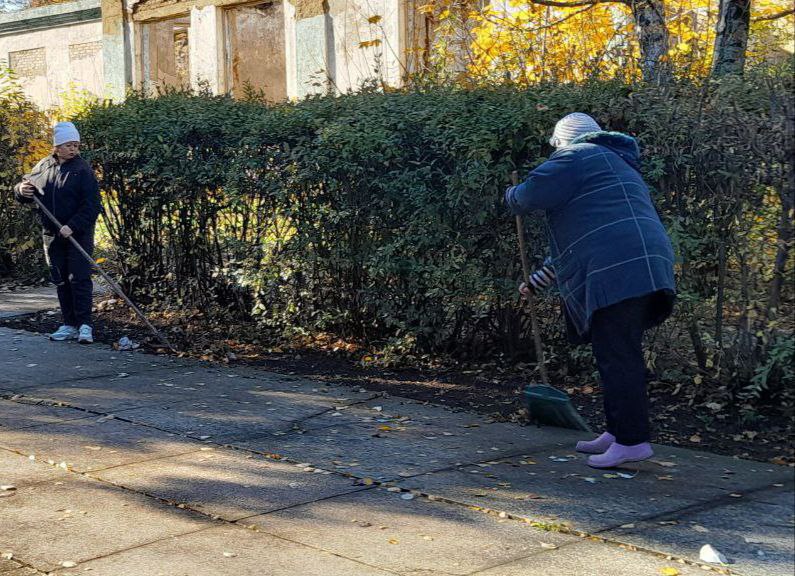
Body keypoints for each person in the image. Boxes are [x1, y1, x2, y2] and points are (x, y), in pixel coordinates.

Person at [505, 112, 676, 469]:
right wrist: (537, 282)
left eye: (556, 146)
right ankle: (617, 432)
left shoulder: (577, 156)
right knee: (614, 350)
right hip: (641, 262)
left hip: (619, 268)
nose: (555, 152)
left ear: (564, 141)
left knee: (618, 355)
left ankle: (632, 441)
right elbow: (584, 238)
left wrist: (510, 194)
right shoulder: (614, 163)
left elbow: (528, 195)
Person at [14, 121, 102, 344]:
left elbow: (92, 205)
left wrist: (72, 225)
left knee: (79, 278)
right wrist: (21, 191)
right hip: (51, 233)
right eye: (68, 144)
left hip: (76, 234)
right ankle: (68, 324)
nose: (73, 149)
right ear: (57, 146)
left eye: (76, 144)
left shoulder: (82, 170)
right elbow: (27, 190)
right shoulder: (44, 166)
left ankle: (84, 325)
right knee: (61, 278)